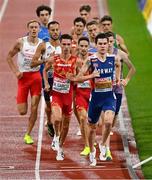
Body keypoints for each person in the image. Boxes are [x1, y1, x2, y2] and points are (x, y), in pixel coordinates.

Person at [67, 33, 121, 166]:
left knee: (108, 122)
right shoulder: (91, 60)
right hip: (95, 99)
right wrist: (91, 75)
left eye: (105, 43)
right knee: (92, 128)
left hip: (109, 97)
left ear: (108, 44)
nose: (103, 46)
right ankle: (92, 151)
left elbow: (119, 65)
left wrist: (118, 79)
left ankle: (103, 145)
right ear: (96, 45)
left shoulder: (113, 58)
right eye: (100, 44)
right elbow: (78, 78)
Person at [98, 31, 136, 160]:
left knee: (111, 121)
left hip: (117, 90)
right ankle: (106, 149)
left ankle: (103, 142)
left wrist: (126, 80)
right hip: (103, 91)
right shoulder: (99, 55)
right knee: (105, 121)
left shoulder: (119, 54)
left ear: (114, 42)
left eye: (111, 41)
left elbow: (132, 68)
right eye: (106, 41)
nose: (108, 44)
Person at [7, 20, 42, 144]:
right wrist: (16, 72)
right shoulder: (21, 42)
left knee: (34, 107)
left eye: (35, 27)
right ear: (28, 29)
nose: (33, 29)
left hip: (36, 78)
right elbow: (9, 56)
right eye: (31, 27)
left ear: (39, 29)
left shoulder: (42, 44)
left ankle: (28, 134)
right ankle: (20, 98)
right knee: (22, 111)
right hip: (23, 78)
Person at [31, 21, 61, 137]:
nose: (55, 32)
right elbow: (33, 63)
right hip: (47, 79)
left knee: (60, 107)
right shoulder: (43, 45)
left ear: (59, 30)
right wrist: (46, 60)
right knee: (49, 106)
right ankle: (49, 122)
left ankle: (59, 132)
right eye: (52, 30)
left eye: (57, 30)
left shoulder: (64, 45)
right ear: (48, 31)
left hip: (61, 80)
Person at [36, 5, 55, 136]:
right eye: (41, 15)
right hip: (41, 72)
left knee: (58, 100)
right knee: (47, 102)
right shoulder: (35, 32)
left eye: (46, 14)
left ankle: (54, 122)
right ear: (39, 17)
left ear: (49, 15)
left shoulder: (54, 31)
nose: (44, 17)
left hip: (57, 73)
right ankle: (49, 121)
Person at [74, 37, 92, 156]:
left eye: (86, 46)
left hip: (92, 93)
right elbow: (72, 79)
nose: (84, 48)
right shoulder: (74, 61)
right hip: (79, 94)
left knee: (92, 122)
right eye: (82, 46)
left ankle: (91, 139)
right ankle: (87, 146)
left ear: (89, 47)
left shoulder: (93, 59)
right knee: (82, 118)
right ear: (78, 46)